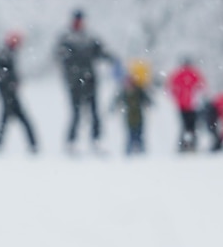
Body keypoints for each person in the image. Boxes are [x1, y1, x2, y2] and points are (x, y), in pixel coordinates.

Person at [55, 9, 116, 154]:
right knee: (76, 112)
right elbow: (60, 56)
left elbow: (101, 52)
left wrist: (111, 58)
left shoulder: (89, 38)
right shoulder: (66, 38)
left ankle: (96, 140)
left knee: (94, 111)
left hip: (90, 81)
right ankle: (72, 142)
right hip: (74, 82)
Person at [0, 31, 38, 154]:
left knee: (7, 120)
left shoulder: (9, 53)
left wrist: (13, 81)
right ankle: (32, 145)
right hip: (7, 93)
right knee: (16, 119)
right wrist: (8, 81)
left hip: (10, 93)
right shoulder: (4, 54)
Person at [166, 57, 206, 152]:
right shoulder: (193, 74)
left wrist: (177, 98)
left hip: (186, 105)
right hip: (190, 105)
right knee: (191, 126)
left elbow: (171, 88)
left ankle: (185, 145)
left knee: (186, 126)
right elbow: (202, 87)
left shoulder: (179, 74)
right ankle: (190, 145)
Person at [112, 67, 152, 155]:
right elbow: (117, 101)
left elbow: (147, 100)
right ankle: (129, 153)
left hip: (138, 117)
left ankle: (141, 152)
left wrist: (148, 103)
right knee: (130, 136)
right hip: (129, 118)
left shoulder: (139, 91)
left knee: (139, 136)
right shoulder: (125, 92)